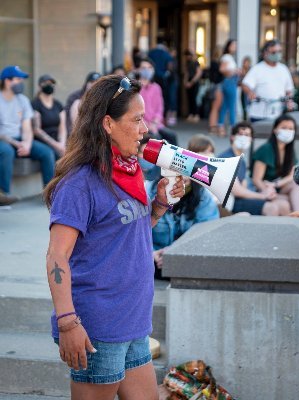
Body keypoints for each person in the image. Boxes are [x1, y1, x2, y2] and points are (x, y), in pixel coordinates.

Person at [43, 75, 185, 399]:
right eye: (136, 119)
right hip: (99, 324)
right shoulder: (80, 184)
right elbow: (56, 256)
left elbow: (125, 236)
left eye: (144, 119)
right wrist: (67, 323)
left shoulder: (130, 171)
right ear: (108, 124)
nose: (144, 129)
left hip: (133, 319)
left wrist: (159, 206)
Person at [147, 134, 219, 280]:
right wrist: (151, 254)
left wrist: (174, 251)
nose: (182, 179)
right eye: (176, 173)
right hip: (151, 260)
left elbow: (205, 234)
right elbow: (135, 234)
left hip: (187, 260)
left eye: (186, 174)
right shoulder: (148, 192)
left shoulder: (203, 198)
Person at [0, 65, 55, 205]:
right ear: (7, 81)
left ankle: (50, 195)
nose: (21, 83)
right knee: (6, 152)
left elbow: (27, 127)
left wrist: (27, 143)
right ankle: (3, 195)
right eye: (18, 79)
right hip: (4, 140)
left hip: (20, 140)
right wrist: (15, 143)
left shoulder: (22, 100)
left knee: (46, 152)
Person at [218, 121, 290, 216]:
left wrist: (265, 191)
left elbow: (244, 187)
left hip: (239, 199)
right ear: (232, 137)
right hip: (230, 202)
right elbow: (237, 191)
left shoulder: (241, 160)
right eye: (240, 134)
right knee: (271, 208)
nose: (244, 137)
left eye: (247, 135)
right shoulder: (227, 158)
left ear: (251, 139)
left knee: (284, 203)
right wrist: (262, 196)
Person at [251, 114, 299, 213]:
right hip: (263, 189)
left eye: (291, 129)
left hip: (278, 187)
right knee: (295, 203)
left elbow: (292, 175)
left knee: (297, 185)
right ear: (275, 130)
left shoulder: (290, 150)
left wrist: (276, 184)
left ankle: (298, 215)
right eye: (284, 128)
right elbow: (256, 180)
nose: (287, 131)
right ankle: (298, 216)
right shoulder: (266, 149)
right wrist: (269, 190)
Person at [242, 39, 295, 122]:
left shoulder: (284, 69)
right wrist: (250, 93)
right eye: (274, 52)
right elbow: (245, 85)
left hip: (278, 114)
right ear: (265, 53)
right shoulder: (257, 69)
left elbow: (289, 90)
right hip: (258, 114)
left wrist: (289, 101)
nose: (277, 54)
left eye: (279, 51)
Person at [138, 58, 178, 145]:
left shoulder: (156, 87)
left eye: (149, 68)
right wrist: (147, 124)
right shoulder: (135, 88)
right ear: (139, 69)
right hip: (141, 125)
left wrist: (155, 122)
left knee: (172, 136)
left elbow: (159, 108)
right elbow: (134, 111)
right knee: (157, 139)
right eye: (144, 68)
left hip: (156, 124)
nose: (147, 70)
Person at [31, 74, 67, 158]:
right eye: (46, 83)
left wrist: (62, 143)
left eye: (51, 83)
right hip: (42, 141)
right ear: (40, 86)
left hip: (58, 140)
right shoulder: (35, 104)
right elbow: (36, 130)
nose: (49, 85)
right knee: (51, 154)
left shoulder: (58, 105)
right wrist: (56, 145)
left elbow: (62, 127)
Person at [217, 39, 239, 136]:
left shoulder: (229, 57)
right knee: (231, 106)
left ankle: (221, 127)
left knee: (225, 106)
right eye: (233, 45)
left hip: (229, 82)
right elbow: (222, 69)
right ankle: (233, 128)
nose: (235, 47)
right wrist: (233, 72)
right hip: (230, 82)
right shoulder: (227, 57)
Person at [183, 49, 202, 123]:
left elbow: (198, 73)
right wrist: (185, 82)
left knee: (194, 98)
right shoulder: (188, 63)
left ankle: (196, 114)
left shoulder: (196, 63)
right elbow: (186, 73)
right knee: (190, 98)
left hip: (194, 82)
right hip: (189, 81)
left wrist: (191, 82)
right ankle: (191, 114)